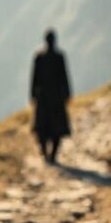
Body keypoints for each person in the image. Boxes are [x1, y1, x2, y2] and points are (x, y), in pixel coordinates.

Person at [30, 28, 72, 165]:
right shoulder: (56, 57)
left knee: (44, 128)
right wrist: (66, 93)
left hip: (46, 98)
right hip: (54, 98)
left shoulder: (41, 57)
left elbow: (34, 78)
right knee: (54, 128)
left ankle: (48, 154)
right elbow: (64, 77)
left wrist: (32, 94)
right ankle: (50, 154)